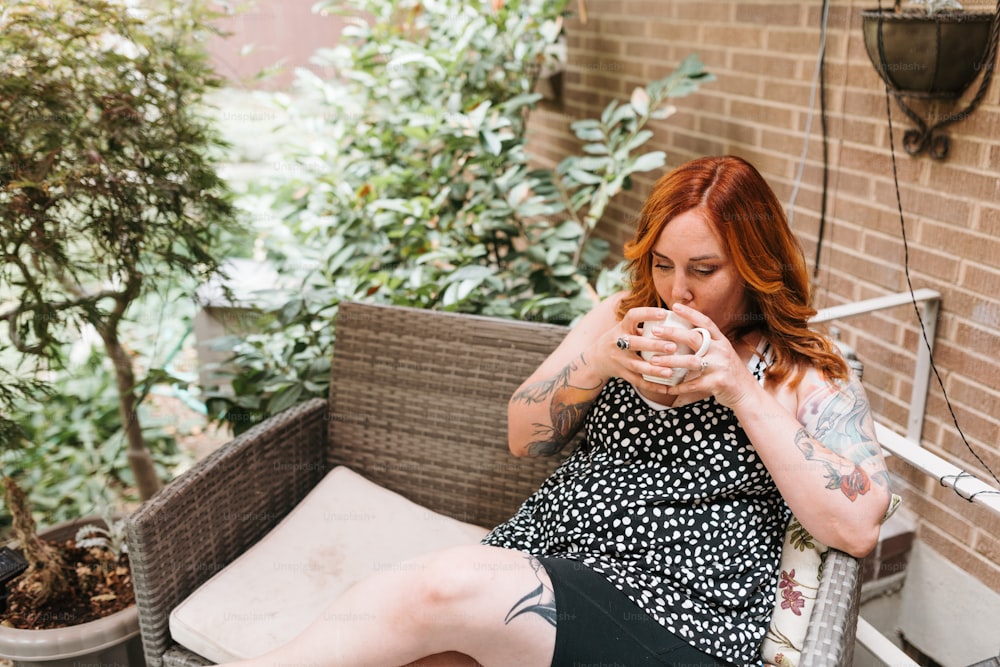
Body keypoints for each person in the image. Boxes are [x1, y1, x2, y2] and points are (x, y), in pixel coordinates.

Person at [221, 155, 892, 667]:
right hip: (549, 564)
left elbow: (858, 526)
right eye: (662, 264)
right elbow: (524, 434)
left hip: (675, 616)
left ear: (753, 265)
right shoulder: (623, 317)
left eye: (704, 270)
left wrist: (740, 390)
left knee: (441, 584)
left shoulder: (799, 368)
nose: (677, 292)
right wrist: (597, 362)